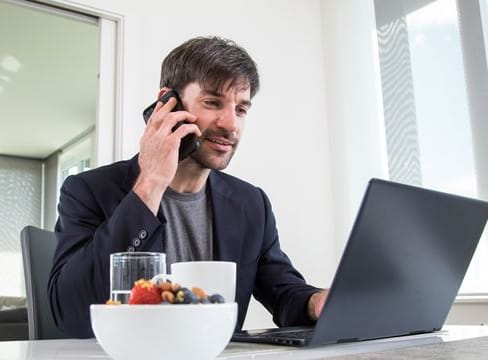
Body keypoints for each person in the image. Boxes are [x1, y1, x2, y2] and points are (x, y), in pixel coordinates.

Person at [48, 36, 328, 338]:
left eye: (242, 109)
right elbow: (70, 312)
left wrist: (317, 302)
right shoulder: (88, 190)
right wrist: (151, 182)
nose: (231, 123)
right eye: (213, 103)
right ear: (167, 103)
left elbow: (284, 292)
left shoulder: (251, 204)